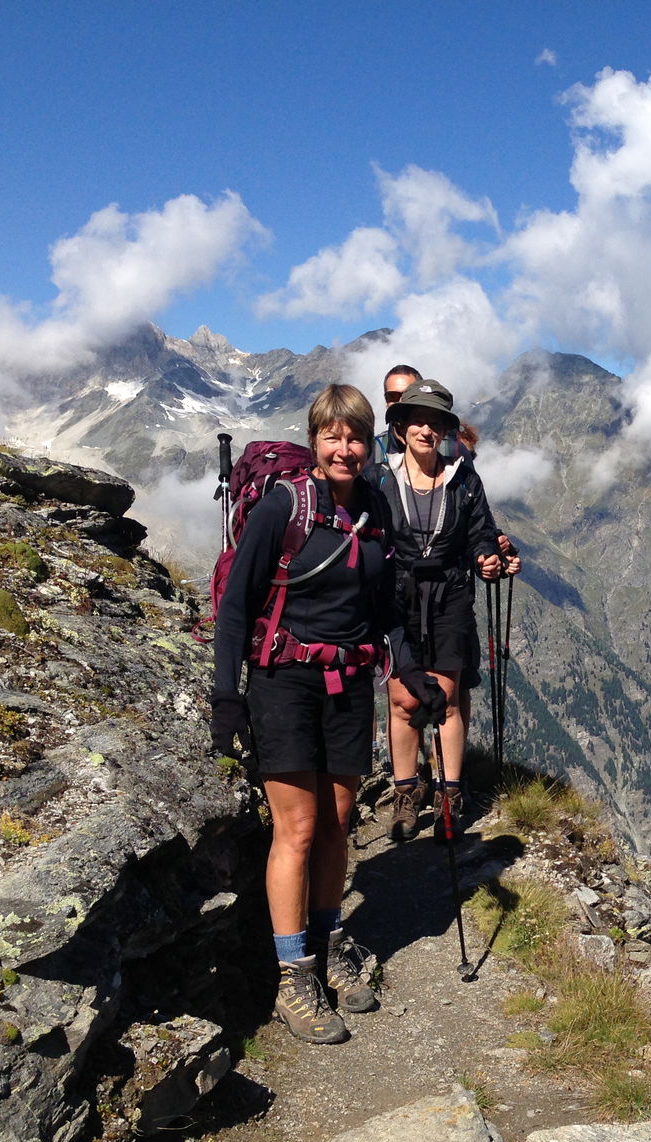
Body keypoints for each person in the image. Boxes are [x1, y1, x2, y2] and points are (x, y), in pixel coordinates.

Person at [210, 383, 445, 1044]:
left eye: (355, 437)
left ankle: (327, 936)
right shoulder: (283, 507)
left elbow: (387, 610)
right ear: (315, 441)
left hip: (350, 686)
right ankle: (293, 976)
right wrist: (228, 695)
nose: (344, 448)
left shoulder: (374, 510)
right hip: (283, 683)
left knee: (340, 819)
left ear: (371, 444)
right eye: (332, 436)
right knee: (301, 827)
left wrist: (411, 671)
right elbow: (234, 610)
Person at [373, 378, 520, 842]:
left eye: (433, 422)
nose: (424, 429)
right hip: (397, 598)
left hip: (451, 597)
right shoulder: (380, 479)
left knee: (448, 697)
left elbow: (481, 531)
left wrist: (486, 557)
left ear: (443, 430)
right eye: (416, 420)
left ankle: (449, 794)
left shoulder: (462, 478)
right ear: (400, 428)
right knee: (402, 699)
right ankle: (406, 792)